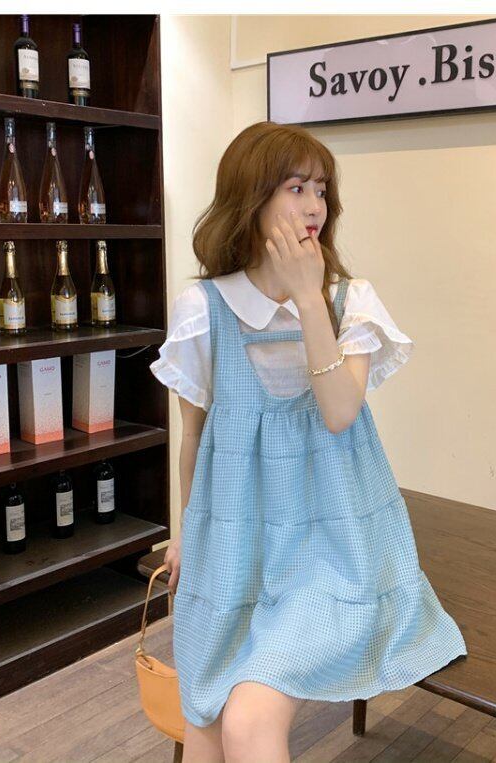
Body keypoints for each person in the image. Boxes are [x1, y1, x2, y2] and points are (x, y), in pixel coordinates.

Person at [150, 120, 468, 763]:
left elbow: (340, 412)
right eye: (296, 187)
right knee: (205, 710)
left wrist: (306, 296)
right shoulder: (202, 309)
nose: (315, 205)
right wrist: (186, 534)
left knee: (247, 718)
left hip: (334, 551)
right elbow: (194, 439)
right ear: (252, 197)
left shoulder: (350, 302)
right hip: (235, 543)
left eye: (321, 189)